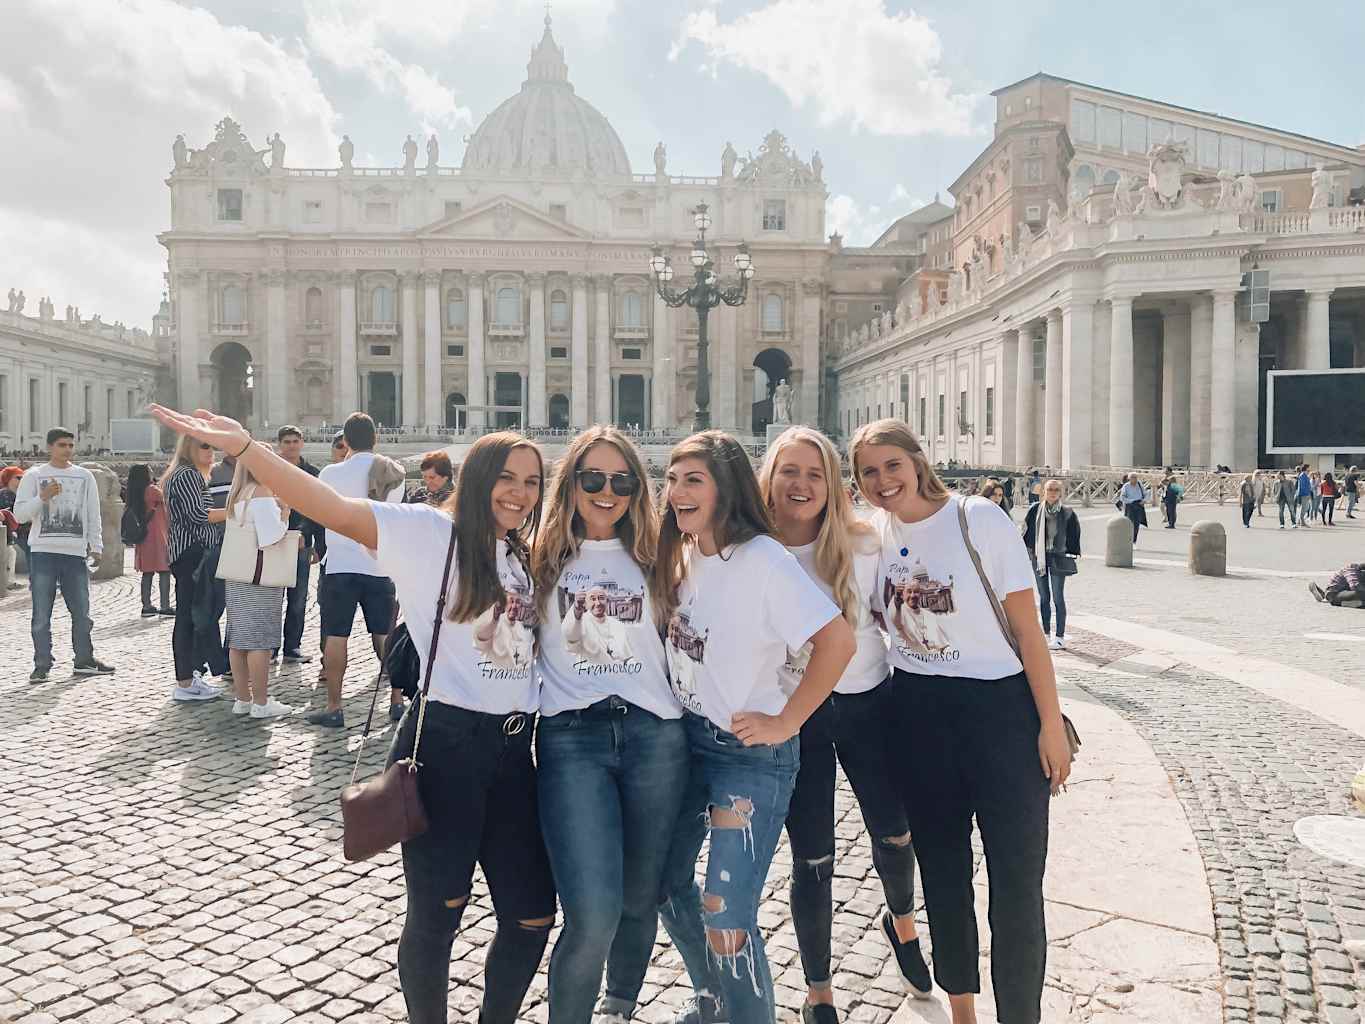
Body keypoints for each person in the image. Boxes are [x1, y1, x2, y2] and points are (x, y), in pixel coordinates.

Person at [147, 403, 556, 1024]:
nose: (521, 494)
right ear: (478, 479)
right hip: (447, 745)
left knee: (531, 914)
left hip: (514, 753)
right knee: (439, 912)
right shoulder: (429, 532)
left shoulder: (521, 551)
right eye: (507, 478)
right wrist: (247, 450)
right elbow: (329, 507)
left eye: (532, 482)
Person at [850, 418, 1071, 1024]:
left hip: (1000, 713)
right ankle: (962, 1011)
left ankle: (1020, 1014)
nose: (883, 480)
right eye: (868, 471)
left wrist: (1050, 725)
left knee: (1017, 883)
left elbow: (1028, 631)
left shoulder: (980, 518)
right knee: (944, 877)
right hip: (917, 715)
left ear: (917, 461)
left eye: (892, 464)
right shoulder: (869, 537)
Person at [644, 430, 854, 1024]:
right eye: (673, 479)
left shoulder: (765, 561)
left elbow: (837, 641)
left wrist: (788, 719)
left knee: (727, 910)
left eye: (693, 480)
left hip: (747, 757)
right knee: (663, 882)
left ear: (725, 488)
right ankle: (715, 998)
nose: (677, 492)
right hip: (687, 743)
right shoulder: (684, 552)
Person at [758, 427, 930, 1024]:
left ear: (832, 484)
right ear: (770, 479)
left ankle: (902, 923)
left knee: (895, 830)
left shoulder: (863, 544)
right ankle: (818, 990)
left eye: (815, 474)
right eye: (790, 472)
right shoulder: (752, 550)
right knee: (812, 858)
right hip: (797, 718)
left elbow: (902, 610)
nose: (802, 485)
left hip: (867, 704)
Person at [529, 426, 688, 1024]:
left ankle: (618, 1008)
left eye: (621, 481)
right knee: (592, 913)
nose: (607, 491)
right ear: (569, 483)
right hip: (573, 741)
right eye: (592, 478)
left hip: (656, 738)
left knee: (639, 900)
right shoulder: (538, 559)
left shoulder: (662, 556)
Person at [310, 412, 405, 728]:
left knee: (336, 636)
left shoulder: (330, 473)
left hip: (339, 565)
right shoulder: (394, 472)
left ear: (345, 440)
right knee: (385, 635)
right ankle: (396, 699)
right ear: (375, 438)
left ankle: (335, 706)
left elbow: (320, 514)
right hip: (379, 564)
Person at [13, 428, 115, 681]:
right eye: (62, 445)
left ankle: (83, 659)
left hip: (75, 554)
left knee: (81, 611)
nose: (67, 449)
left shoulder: (85, 476)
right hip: (43, 552)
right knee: (41, 613)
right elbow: (20, 515)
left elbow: (93, 513)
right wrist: (42, 497)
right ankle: (42, 664)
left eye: (70, 445)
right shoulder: (34, 476)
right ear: (50, 447)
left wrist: (97, 545)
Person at [223, 461, 295, 719]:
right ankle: (261, 702)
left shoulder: (238, 494)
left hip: (238, 574)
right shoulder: (262, 492)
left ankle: (242, 699)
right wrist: (285, 515)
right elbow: (270, 537)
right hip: (260, 577)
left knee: (238, 639)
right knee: (260, 640)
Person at [163, 435, 229, 701]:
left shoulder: (186, 475)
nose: (211, 451)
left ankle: (192, 676)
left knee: (196, 615)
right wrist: (235, 510)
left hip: (192, 553)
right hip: (192, 554)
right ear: (188, 447)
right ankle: (186, 681)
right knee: (191, 617)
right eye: (204, 445)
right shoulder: (187, 475)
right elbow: (200, 515)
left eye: (212, 445)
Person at [275, 425, 324, 663]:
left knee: (298, 599)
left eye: (295, 441)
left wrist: (305, 535)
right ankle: (271, 646)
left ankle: (292, 646)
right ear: (279, 445)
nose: (291, 446)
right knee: (273, 598)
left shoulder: (313, 473)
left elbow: (315, 510)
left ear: (302, 443)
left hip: (302, 543)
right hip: (273, 541)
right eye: (287, 442)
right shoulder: (271, 472)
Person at [1023, 479, 1081, 650]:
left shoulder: (1067, 512)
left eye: (1056, 490)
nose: (1053, 492)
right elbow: (1025, 532)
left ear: (1060, 492)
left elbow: (1075, 534)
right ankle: (1046, 632)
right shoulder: (1035, 509)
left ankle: (1060, 636)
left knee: (1057, 597)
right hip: (1039, 557)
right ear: (1044, 492)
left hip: (1058, 557)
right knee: (1043, 597)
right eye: (1050, 489)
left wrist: (1071, 552)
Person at [127, 463, 173, 617]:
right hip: (157, 536)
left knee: (147, 574)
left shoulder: (134, 492)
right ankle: (165, 606)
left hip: (144, 537)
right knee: (164, 571)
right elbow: (167, 496)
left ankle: (146, 606)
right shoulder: (152, 490)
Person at [1, 466, 28, 586]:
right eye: (18, 477)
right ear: (8, 479)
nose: (21, 480)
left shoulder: (17, 494)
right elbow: (13, 515)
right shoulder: (5, 494)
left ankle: (9, 582)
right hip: (12, 532)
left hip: (14, 532)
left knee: (12, 554)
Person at [1118, 473, 1149, 543]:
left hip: (1139, 504)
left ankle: (1134, 541)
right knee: (1129, 523)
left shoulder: (1139, 484)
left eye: (1136, 477)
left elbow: (1145, 494)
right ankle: (1127, 540)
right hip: (1130, 505)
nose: (1135, 479)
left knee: (1137, 524)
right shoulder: (1126, 486)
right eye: (1133, 478)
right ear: (1129, 479)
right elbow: (1122, 497)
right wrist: (1131, 501)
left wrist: (1144, 500)